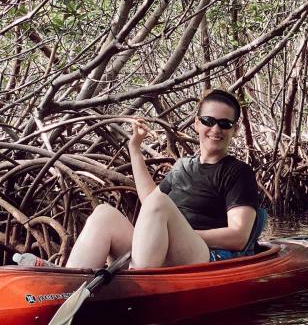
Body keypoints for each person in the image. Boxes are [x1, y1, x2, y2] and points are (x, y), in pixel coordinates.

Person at [66, 89, 259, 269]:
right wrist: (135, 149)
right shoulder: (182, 166)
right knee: (103, 214)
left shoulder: (239, 173)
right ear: (197, 123)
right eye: (208, 120)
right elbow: (150, 202)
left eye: (224, 124)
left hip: (205, 255)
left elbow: (238, 236)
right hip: (163, 251)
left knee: (160, 203)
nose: (216, 129)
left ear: (235, 129)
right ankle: (66, 288)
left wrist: (174, 235)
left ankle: (137, 287)